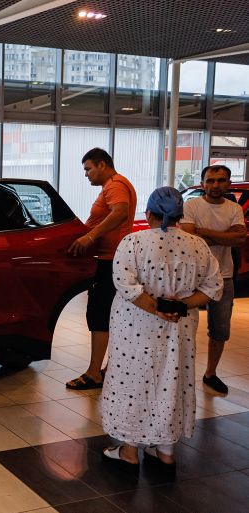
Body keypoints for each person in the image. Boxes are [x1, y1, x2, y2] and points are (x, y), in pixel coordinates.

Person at [101, 187, 223, 466]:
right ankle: (165, 451)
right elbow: (213, 287)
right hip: (180, 327)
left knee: (134, 381)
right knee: (172, 380)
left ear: (148, 213)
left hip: (136, 326)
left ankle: (129, 450)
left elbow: (125, 285)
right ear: (180, 215)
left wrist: (158, 308)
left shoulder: (133, 242)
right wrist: (179, 306)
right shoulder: (198, 245)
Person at [66, 148, 137, 390]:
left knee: (99, 316)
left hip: (112, 260)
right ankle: (108, 369)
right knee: (108, 316)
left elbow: (121, 213)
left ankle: (94, 373)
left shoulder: (114, 184)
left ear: (102, 165)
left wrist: (90, 237)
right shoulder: (111, 186)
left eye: (88, 169)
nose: (86, 175)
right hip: (109, 258)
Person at [180, 165, 247, 394]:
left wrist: (205, 232)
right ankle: (180, 372)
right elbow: (189, 237)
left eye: (221, 180)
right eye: (210, 181)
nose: (215, 185)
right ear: (202, 183)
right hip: (191, 277)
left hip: (223, 276)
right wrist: (224, 237)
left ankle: (210, 374)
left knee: (220, 330)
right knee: (181, 325)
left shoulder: (234, 208)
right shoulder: (191, 205)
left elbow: (239, 239)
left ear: (228, 183)